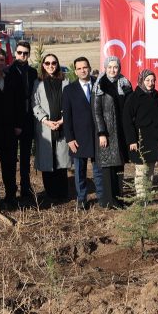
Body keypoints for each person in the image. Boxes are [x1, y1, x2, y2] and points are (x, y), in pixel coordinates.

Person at [62, 56, 104, 210]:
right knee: (79, 171)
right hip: (78, 138)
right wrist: (70, 139)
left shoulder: (99, 85)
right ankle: (82, 199)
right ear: (75, 71)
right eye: (79, 68)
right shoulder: (69, 90)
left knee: (98, 169)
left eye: (85, 67)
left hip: (96, 135)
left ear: (89, 67)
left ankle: (101, 196)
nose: (82, 70)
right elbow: (67, 117)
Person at [0, 48, 24, 209]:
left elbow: (19, 103)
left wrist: (18, 125)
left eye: (2, 60)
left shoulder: (12, 79)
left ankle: (10, 196)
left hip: (9, 130)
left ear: (6, 61)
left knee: (9, 165)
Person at [92, 56, 132, 208]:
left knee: (120, 167)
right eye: (110, 67)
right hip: (107, 133)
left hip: (121, 132)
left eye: (115, 67)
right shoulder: (100, 85)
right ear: (105, 68)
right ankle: (109, 202)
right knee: (108, 168)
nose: (112, 70)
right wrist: (101, 133)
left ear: (119, 68)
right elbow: (97, 112)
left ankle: (119, 200)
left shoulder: (125, 84)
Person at [33, 53, 70, 203]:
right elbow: (35, 103)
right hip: (45, 128)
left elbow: (69, 102)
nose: (50, 66)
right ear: (43, 65)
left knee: (61, 159)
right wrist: (46, 121)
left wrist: (63, 119)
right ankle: (50, 193)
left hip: (62, 126)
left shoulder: (65, 82)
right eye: (47, 63)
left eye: (53, 63)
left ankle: (62, 192)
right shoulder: (38, 83)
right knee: (48, 160)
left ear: (57, 64)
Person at [123, 69, 158, 198]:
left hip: (153, 139)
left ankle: (147, 197)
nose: (150, 83)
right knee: (141, 170)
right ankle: (141, 198)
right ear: (141, 81)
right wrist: (132, 140)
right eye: (147, 80)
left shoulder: (156, 95)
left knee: (150, 170)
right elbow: (127, 121)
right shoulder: (134, 97)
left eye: (152, 80)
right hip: (140, 140)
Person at [9, 41, 38, 205]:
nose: (22, 56)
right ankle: (12, 189)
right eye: (19, 52)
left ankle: (25, 188)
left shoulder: (33, 72)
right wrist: (14, 123)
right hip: (13, 120)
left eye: (25, 53)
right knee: (12, 157)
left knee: (26, 156)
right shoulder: (9, 71)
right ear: (15, 53)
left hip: (28, 119)